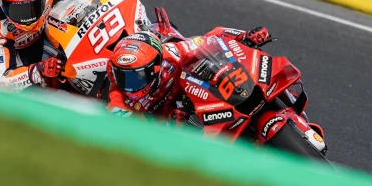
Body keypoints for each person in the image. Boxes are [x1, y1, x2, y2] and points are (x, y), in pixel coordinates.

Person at [0, 0, 147, 91]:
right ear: (4, 6)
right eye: (20, 12)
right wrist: (39, 70)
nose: (29, 18)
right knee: (34, 89)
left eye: (34, 7)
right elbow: (6, 79)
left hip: (53, 19)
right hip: (25, 47)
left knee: (86, 3)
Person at [106, 25, 271, 123]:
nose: (128, 84)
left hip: (200, 92)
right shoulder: (118, 99)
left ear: (155, 66)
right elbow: (134, 132)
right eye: (122, 75)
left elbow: (208, 40)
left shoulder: (171, 53)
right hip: (180, 121)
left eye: (137, 75)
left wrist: (243, 38)